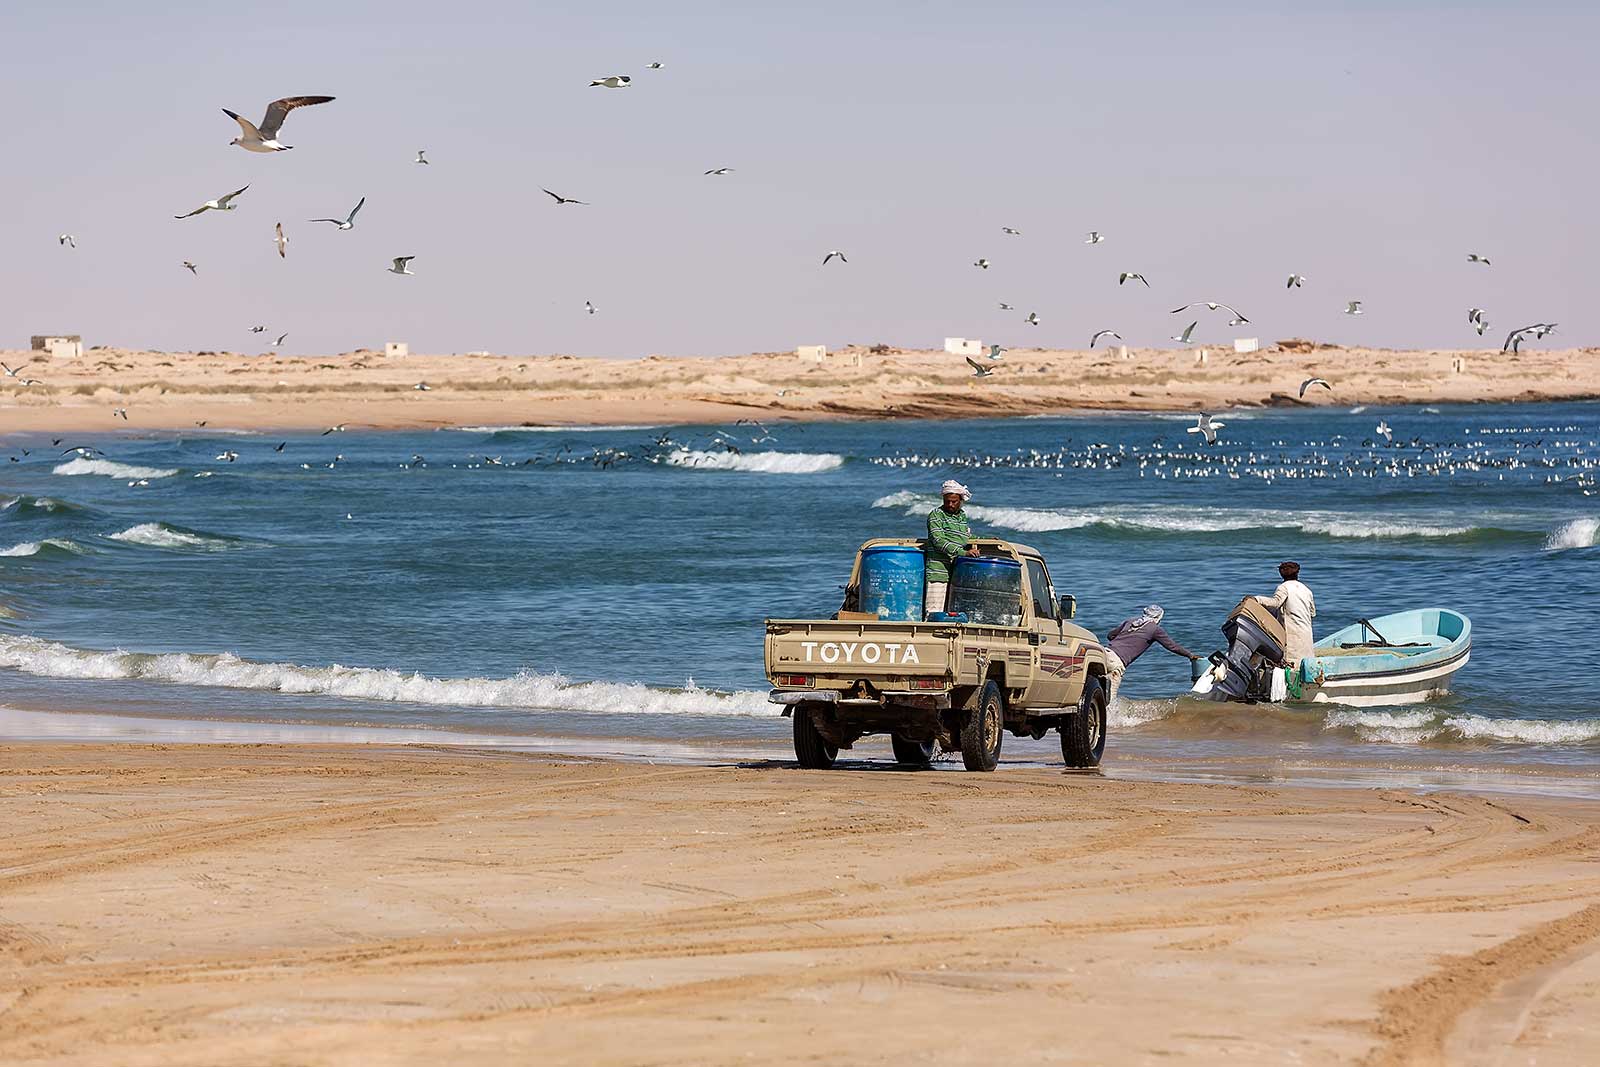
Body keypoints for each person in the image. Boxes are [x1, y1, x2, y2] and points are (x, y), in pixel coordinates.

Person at [1104, 604, 1199, 703]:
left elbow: (1110, 635)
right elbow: (1172, 646)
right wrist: (1190, 655)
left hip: (1104, 654)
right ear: (1158, 618)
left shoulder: (1130, 621)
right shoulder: (1155, 629)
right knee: (1109, 701)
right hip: (1116, 663)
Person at [925, 480, 979, 616]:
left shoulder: (962, 516)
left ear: (960, 500)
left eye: (954, 501)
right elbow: (938, 540)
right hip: (938, 571)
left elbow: (965, 537)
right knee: (934, 612)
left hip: (956, 572)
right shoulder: (936, 515)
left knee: (952, 613)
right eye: (947, 501)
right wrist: (963, 553)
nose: (950, 504)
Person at [1256, 561, 1316, 665]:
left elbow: (1275, 602)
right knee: (1305, 661)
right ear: (1297, 573)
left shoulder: (1283, 587)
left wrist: (1257, 599)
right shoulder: (1306, 590)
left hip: (1292, 633)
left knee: (1291, 662)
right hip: (1306, 631)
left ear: (1281, 573)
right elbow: (1312, 613)